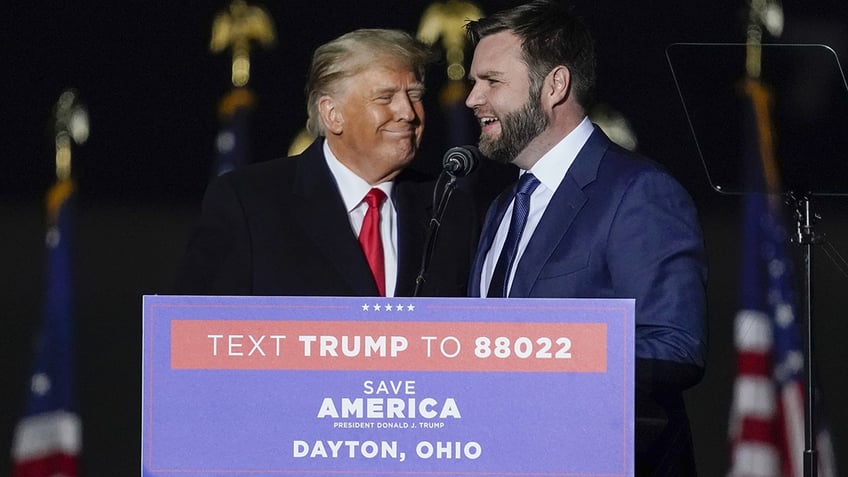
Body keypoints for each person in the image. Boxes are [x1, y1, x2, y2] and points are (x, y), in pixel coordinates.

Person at [464, 1, 707, 475]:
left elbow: (675, 346)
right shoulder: (502, 207)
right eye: (475, 82)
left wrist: (542, 358)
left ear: (554, 85)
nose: (473, 98)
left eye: (491, 81)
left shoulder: (638, 193)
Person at [174, 28, 478, 297]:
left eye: (414, 95)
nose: (409, 113)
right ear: (333, 114)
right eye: (386, 98)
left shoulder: (450, 210)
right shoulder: (248, 203)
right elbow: (197, 332)